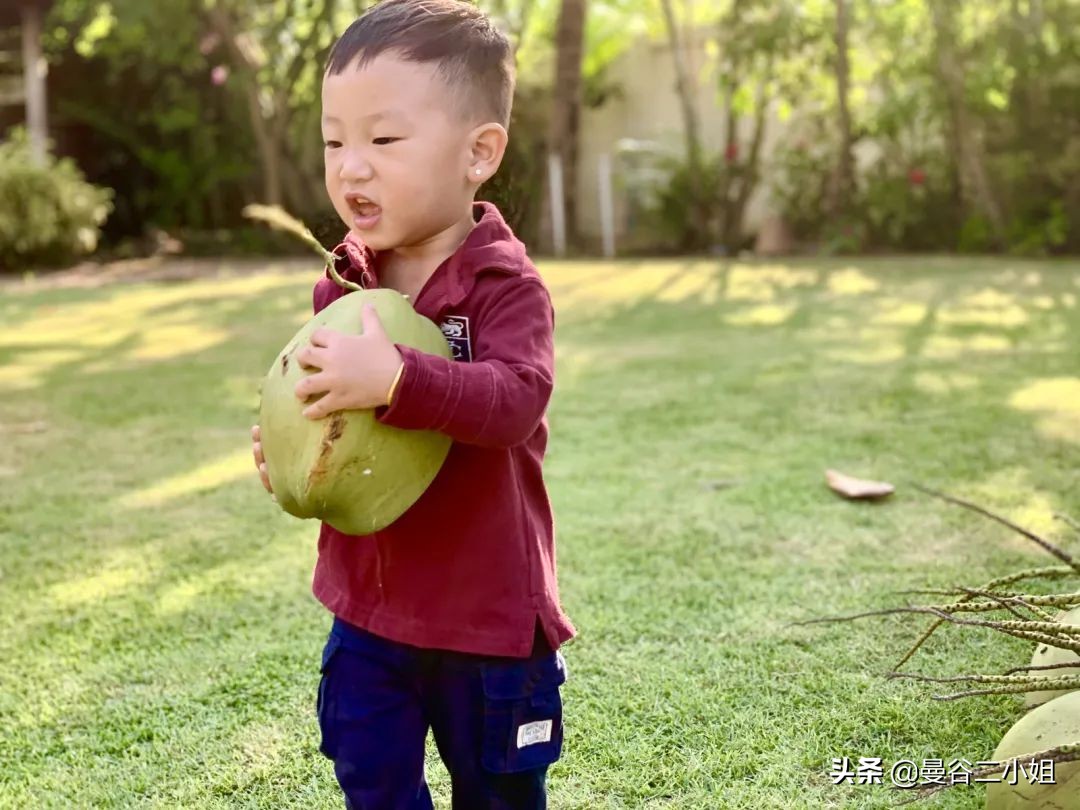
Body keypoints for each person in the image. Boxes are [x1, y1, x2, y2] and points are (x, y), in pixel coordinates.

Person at [250, 1, 575, 806]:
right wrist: (289, 446)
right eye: (334, 141)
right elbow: (323, 403)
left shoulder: (504, 286)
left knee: (498, 791)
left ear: (479, 153)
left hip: (486, 617)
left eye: (383, 140)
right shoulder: (346, 282)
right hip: (368, 608)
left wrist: (399, 379)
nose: (350, 166)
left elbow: (517, 402)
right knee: (369, 775)